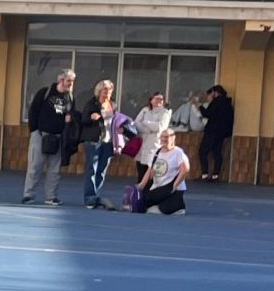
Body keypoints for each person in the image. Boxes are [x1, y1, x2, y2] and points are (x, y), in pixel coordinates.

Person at [21, 69, 76, 205]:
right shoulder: (45, 92)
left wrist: (69, 121)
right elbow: (33, 110)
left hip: (58, 137)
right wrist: (34, 130)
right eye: (68, 80)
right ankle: (29, 195)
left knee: (55, 169)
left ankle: (51, 196)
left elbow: (71, 114)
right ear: (61, 80)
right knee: (35, 166)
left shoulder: (70, 98)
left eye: (72, 81)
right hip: (40, 134)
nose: (71, 84)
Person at [78, 79, 131, 212]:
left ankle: (97, 196)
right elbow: (83, 120)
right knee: (92, 169)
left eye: (109, 90)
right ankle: (90, 198)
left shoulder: (113, 105)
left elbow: (116, 120)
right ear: (99, 91)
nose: (107, 92)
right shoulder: (91, 103)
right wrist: (91, 117)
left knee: (101, 170)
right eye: (105, 89)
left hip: (109, 141)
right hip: (94, 140)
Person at [132, 126, 190, 217]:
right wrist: (141, 185)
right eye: (162, 137)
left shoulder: (178, 152)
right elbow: (150, 171)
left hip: (172, 189)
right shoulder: (156, 152)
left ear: (173, 138)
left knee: (164, 209)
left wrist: (176, 184)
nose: (163, 139)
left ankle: (177, 207)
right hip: (158, 188)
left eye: (166, 137)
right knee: (144, 203)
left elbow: (185, 169)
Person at [196, 83, 235, 183]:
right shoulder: (228, 104)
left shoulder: (216, 102)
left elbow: (207, 114)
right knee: (217, 153)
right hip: (222, 133)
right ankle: (215, 175)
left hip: (212, 131)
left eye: (211, 93)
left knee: (203, 151)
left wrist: (200, 106)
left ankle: (204, 175)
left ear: (215, 92)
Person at [130, 89, 173, 172]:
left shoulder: (165, 112)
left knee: (152, 171)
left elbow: (160, 127)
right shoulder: (145, 110)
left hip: (154, 145)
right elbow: (136, 125)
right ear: (151, 100)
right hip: (142, 144)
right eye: (156, 98)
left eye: (161, 99)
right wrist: (150, 130)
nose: (159, 101)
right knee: (141, 171)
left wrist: (146, 122)